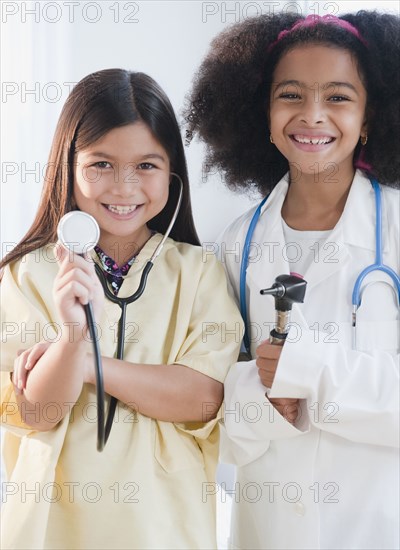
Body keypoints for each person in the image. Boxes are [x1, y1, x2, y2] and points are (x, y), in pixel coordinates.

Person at [0, 68, 243, 550]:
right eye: (101, 164)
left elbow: (201, 400)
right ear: (67, 166)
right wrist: (71, 339)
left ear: (172, 173)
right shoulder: (26, 276)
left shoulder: (198, 273)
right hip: (53, 528)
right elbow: (36, 411)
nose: (124, 186)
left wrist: (90, 365)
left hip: (165, 527)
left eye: (147, 166)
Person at [185, 10, 400, 550]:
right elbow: (212, 406)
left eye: (338, 97)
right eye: (290, 94)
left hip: (375, 526)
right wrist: (262, 405)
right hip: (269, 531)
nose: (312, 115)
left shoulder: (394, 229)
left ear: (370, 117)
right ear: (262, 112)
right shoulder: (236, 242)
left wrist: (310, 370)